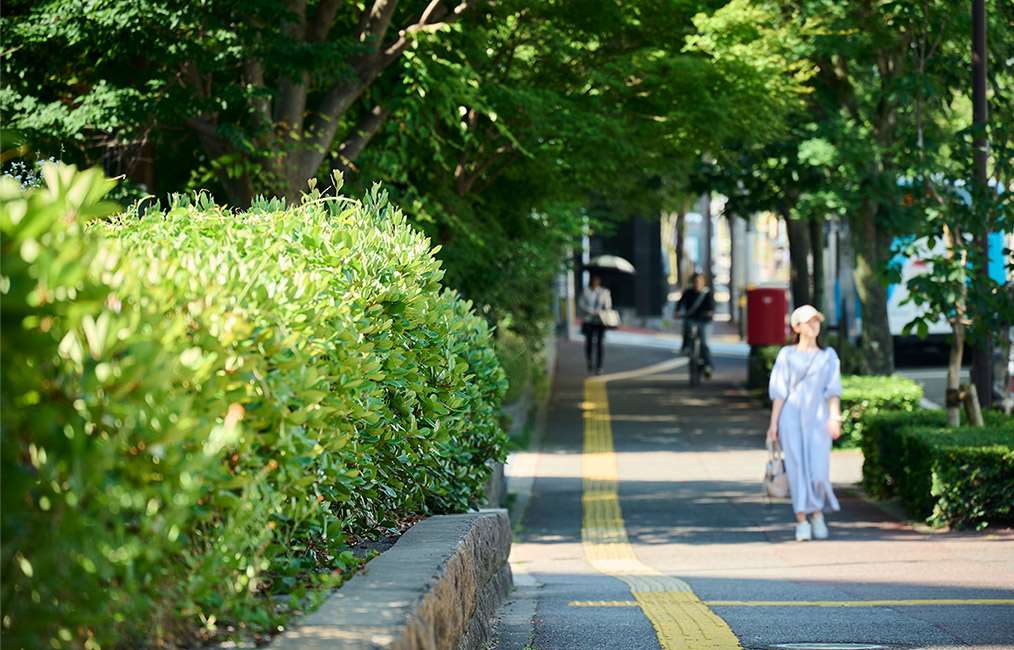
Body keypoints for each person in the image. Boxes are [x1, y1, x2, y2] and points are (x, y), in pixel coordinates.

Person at [766, 305, 843, 541]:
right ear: (796, 327)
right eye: (808, 322)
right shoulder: (786, 355)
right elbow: (779, 392)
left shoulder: (828, 355)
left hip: (819, 417)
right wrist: (773, 425)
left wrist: (835, 416)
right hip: (791, 417)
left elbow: (834, 390)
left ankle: (817, 511)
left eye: (816, 321)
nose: (813, 326)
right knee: (797, 469)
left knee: (818, 471)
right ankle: (802, 519)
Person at [676, 273, 715, 378]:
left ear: (703, 282)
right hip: (691, 318)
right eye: (695, 281)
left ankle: (707, 366)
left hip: (704, 321)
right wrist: (677, 312)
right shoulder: (688, 293)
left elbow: (712, 309)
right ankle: (686, 347)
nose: (697, 283)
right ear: (692, 282)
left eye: (699, 281)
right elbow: (679, 304)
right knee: (687, 326)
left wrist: (709, 313)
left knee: (704, 342)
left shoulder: (707, 294)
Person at [578, 275, 612, 374]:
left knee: (600, 343)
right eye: (594, 280)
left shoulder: (604, 292)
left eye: (597, 280)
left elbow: (608, 306)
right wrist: (590, 311)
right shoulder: (586, 291)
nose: (596, 281)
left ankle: (599, 366)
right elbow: (581, 304)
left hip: (600, 320)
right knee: (588, 341)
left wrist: (605, 301)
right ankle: (589, 361)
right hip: (588, 319)